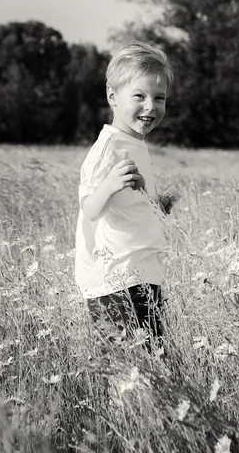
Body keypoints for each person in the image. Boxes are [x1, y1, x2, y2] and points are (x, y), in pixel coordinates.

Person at [75, 41, 174, 351]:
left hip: (143, 273)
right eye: (139, 96)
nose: (150, 106)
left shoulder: (134, 145)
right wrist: (109, 185)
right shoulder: (109, 147)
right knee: (130, 372)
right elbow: (90, 208)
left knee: (154, 366)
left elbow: (132, 205)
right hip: (116, 281)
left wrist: (160, 205)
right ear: (112, 97)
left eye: (159, 98)